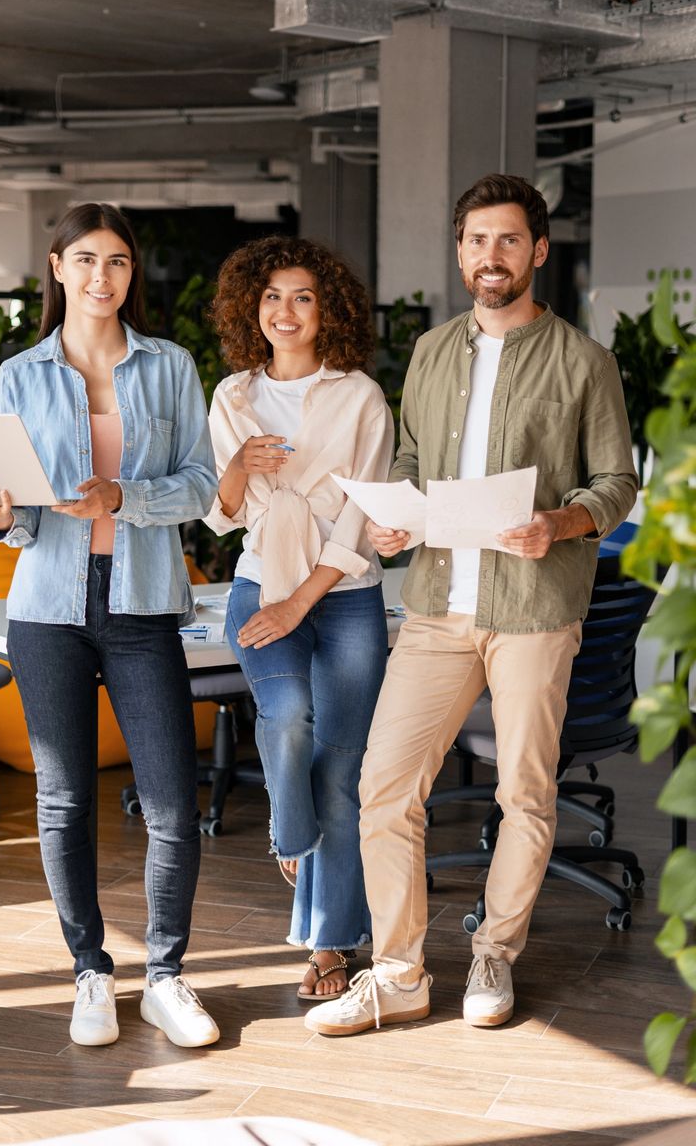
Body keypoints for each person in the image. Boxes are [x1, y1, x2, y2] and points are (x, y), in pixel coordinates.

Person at [305, 173, 638, 1037]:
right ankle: (399, 971)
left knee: (524, 792)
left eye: (507, 241)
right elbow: (415, 466)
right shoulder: (429, 352)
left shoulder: (583, 360)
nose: (490, 257)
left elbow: (616, 483)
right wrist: (395, 524)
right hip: (434, 607)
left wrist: (561, 521)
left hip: (533, 607)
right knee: (385, 784)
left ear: (538, 252)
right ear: (461, 251)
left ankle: (495, 949)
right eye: (476, 241)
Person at [0, 202, 221, 1050]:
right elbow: (24, 520)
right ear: (58, 268)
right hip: (47, 612)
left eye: (119, 263)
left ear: (130, 275)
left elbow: (203, 489)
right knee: (63, 801)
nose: (104, 278)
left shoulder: (170, 365)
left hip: (143, 605)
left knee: (173, 801)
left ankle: (167, 977)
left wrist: (123, 498)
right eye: (88, 261)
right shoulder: (21, 375)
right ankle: (91, 973)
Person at [205, 236, 393, 1000]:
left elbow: (357, 520)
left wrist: (299, 603)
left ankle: (331, 948)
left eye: (304, 297)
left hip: (342, 596)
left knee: (341, 774)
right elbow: (219, 519)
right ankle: (290, 832)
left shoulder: (362, 398)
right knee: (285, 721)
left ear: (329, 311)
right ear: (254, 306)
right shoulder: (231, 397)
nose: (286, 311)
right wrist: (237, 467)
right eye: (273, 296)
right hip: (259, 580)